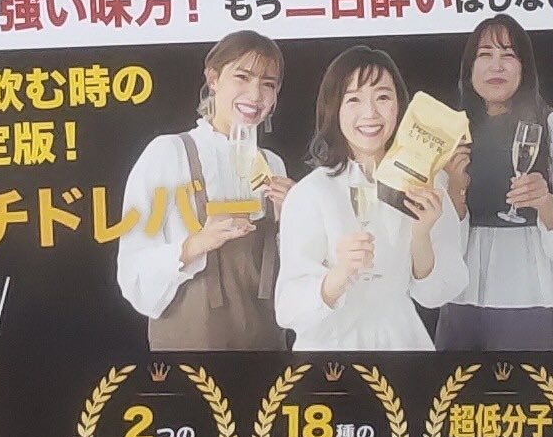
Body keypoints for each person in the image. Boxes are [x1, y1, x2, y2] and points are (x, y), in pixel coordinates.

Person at [272, 42, 465, 351]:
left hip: (403, 342)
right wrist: (341, 273)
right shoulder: (310, 193)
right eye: (353, 99)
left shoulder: (427, 185)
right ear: (334, 109)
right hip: (331, 349)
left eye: (383, 97)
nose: (370, 113)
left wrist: (421, 236)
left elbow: (438, 294)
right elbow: (288, 309)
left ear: (400, 106)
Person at [113, 29, 292, 345]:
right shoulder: (168, 153)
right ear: (213, 79)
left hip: (265, 344)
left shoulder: (273, 165)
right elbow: (133, 274)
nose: (255, 95)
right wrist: (194, 245)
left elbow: (292, 276)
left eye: (268, 84)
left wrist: (292, 221)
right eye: (242, 77)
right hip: (191, 344)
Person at [435, 14, 553, 350]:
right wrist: (455, 187)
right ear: (469, 68)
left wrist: (546, 204)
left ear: (525, 68)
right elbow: (436, 233)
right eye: (485, 55)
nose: (496, 65)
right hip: (459, 290)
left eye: (508, 55)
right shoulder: (451, 130)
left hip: (529, 291)